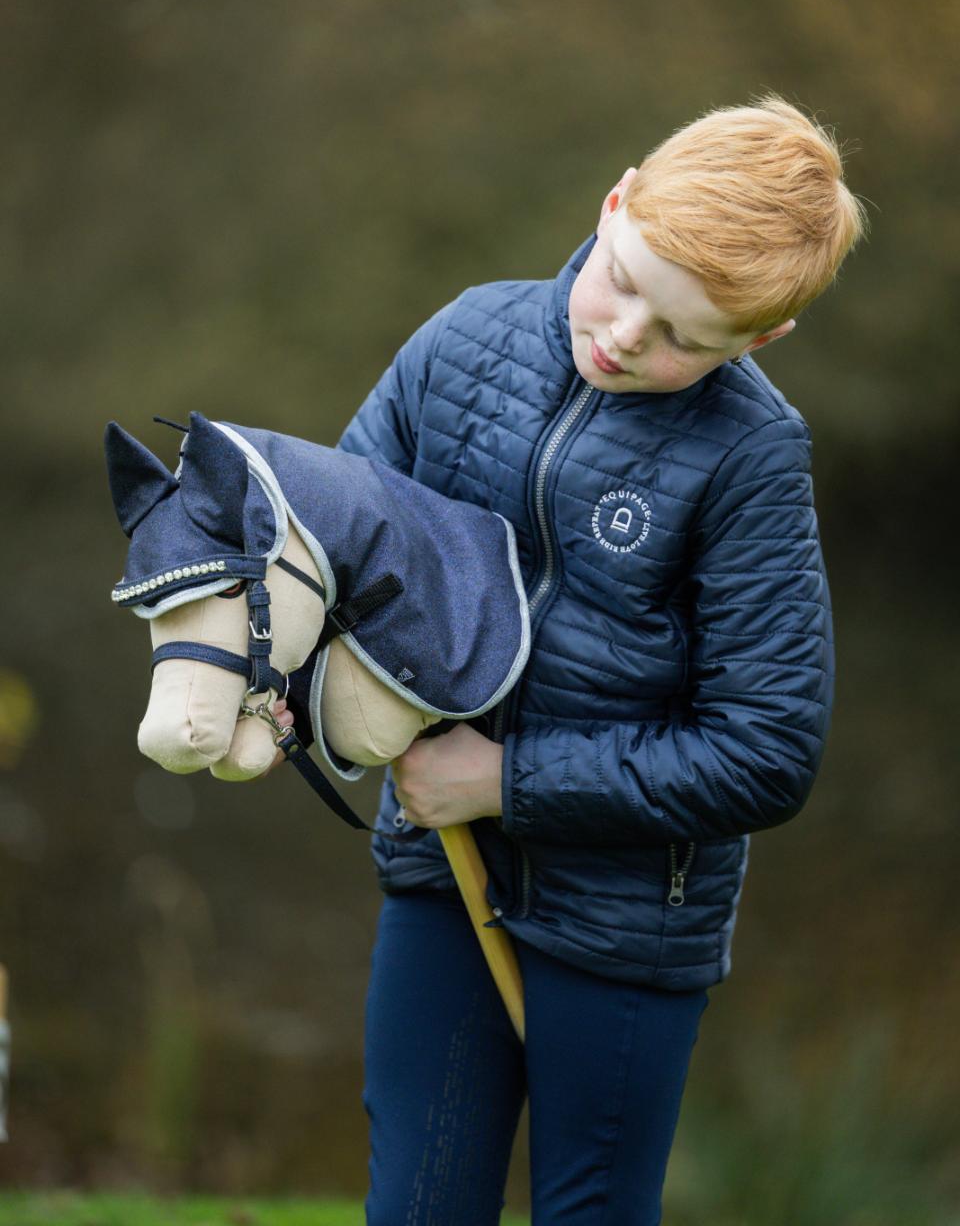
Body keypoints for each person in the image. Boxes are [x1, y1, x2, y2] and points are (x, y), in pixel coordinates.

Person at [279, 95, 866, 1224]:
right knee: (416, 1202)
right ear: (614, 199)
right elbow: (330, 557)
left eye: (684, 338)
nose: (625, 337)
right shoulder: (461, 340)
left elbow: (767, 752)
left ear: (758, 339)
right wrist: (287, 691)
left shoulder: (752, 456)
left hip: (628, 922)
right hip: (441, 873)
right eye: (624, 279)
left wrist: (506, 779)